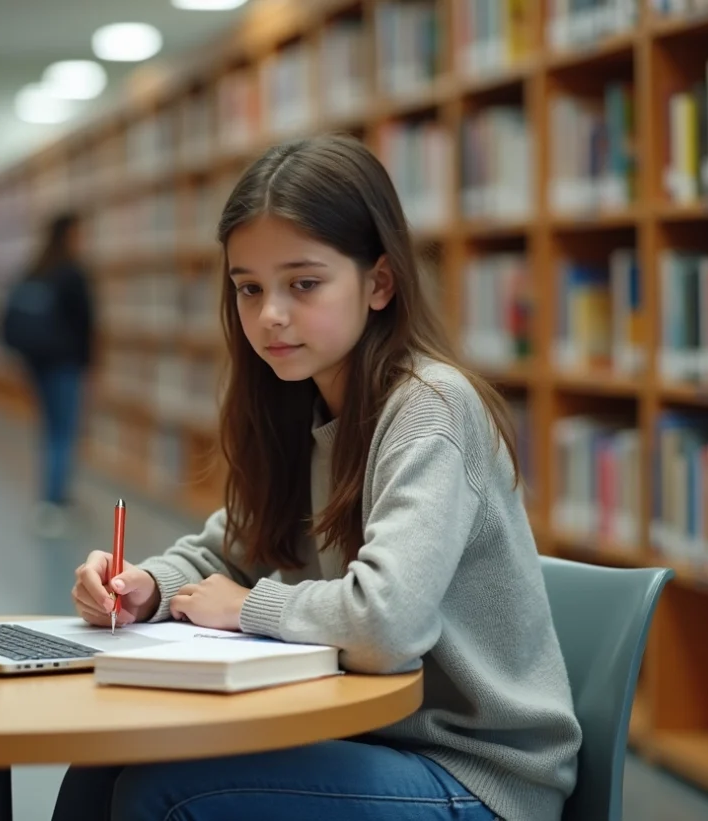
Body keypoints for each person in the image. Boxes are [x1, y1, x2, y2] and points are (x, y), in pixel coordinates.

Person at [60, 136, 581, 821]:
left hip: (474, 773)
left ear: (379, 282)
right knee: (107, 759)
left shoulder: (431, 408)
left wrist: (244, 606)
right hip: (365, 737)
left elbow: (385, 624)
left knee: (164, 791)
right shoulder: (298, 397)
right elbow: (231, 547)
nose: (270, 313)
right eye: (248, 287)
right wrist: (144, 585)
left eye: (303, 283)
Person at [6, 213, 95, 537]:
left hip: (36, 364)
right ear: (70, 235)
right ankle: (52, 501)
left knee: (50, 429)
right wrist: (90, 364)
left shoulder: (35, 269)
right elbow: (86, 322)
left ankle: (54, 496)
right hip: (65, 364)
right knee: (64, 432)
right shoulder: (72, 272)